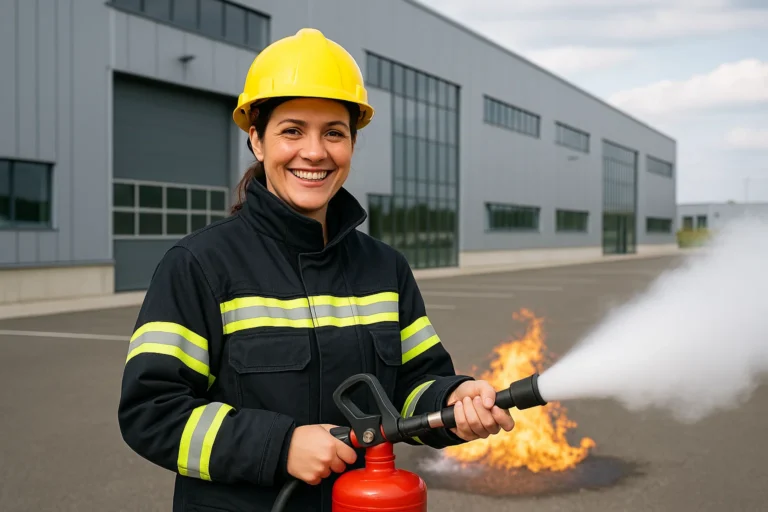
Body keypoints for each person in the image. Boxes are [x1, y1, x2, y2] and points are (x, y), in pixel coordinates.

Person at [117, 28, 515, 512]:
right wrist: (279, 446)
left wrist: (455, 402)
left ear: (351, 144)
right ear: (257, 141)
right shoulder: (200, 264)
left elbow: (412, 388)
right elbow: (153, 413)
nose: (315, 151)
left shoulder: (385, 268)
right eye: (292, 130)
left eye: (334, 132)